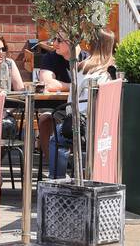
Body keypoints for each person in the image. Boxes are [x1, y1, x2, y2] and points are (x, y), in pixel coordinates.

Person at [45, 30, 116, 177]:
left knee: (56, 137)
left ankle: (57, 180)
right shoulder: (113, 71)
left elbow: (71, 104)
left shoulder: (83, 67)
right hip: (108, 128)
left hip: (82, 127)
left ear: (92, 44)